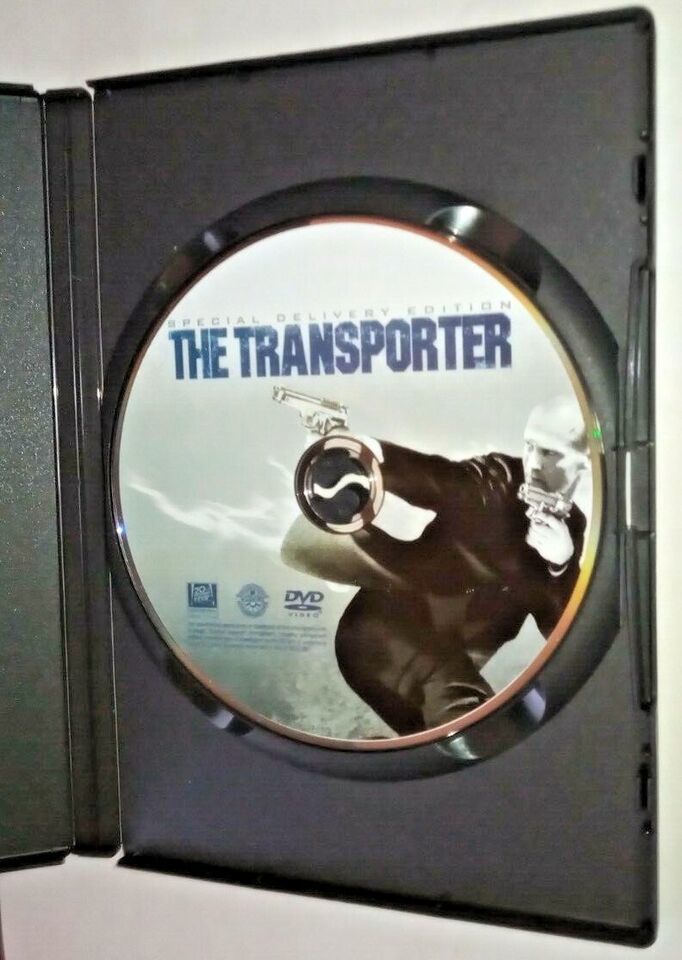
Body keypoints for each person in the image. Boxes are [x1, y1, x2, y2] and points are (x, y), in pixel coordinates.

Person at [281, 396, 590, 736]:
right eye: (530, 446)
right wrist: (361, 454)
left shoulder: (572, 527)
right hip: (388, 635)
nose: (534, 463)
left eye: (550, 453)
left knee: (449, 749)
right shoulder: (499, 477)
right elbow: (437, 479)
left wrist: (560, 565)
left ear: (585, 463)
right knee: (479, 734)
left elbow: (559, 630)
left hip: (444, 665)